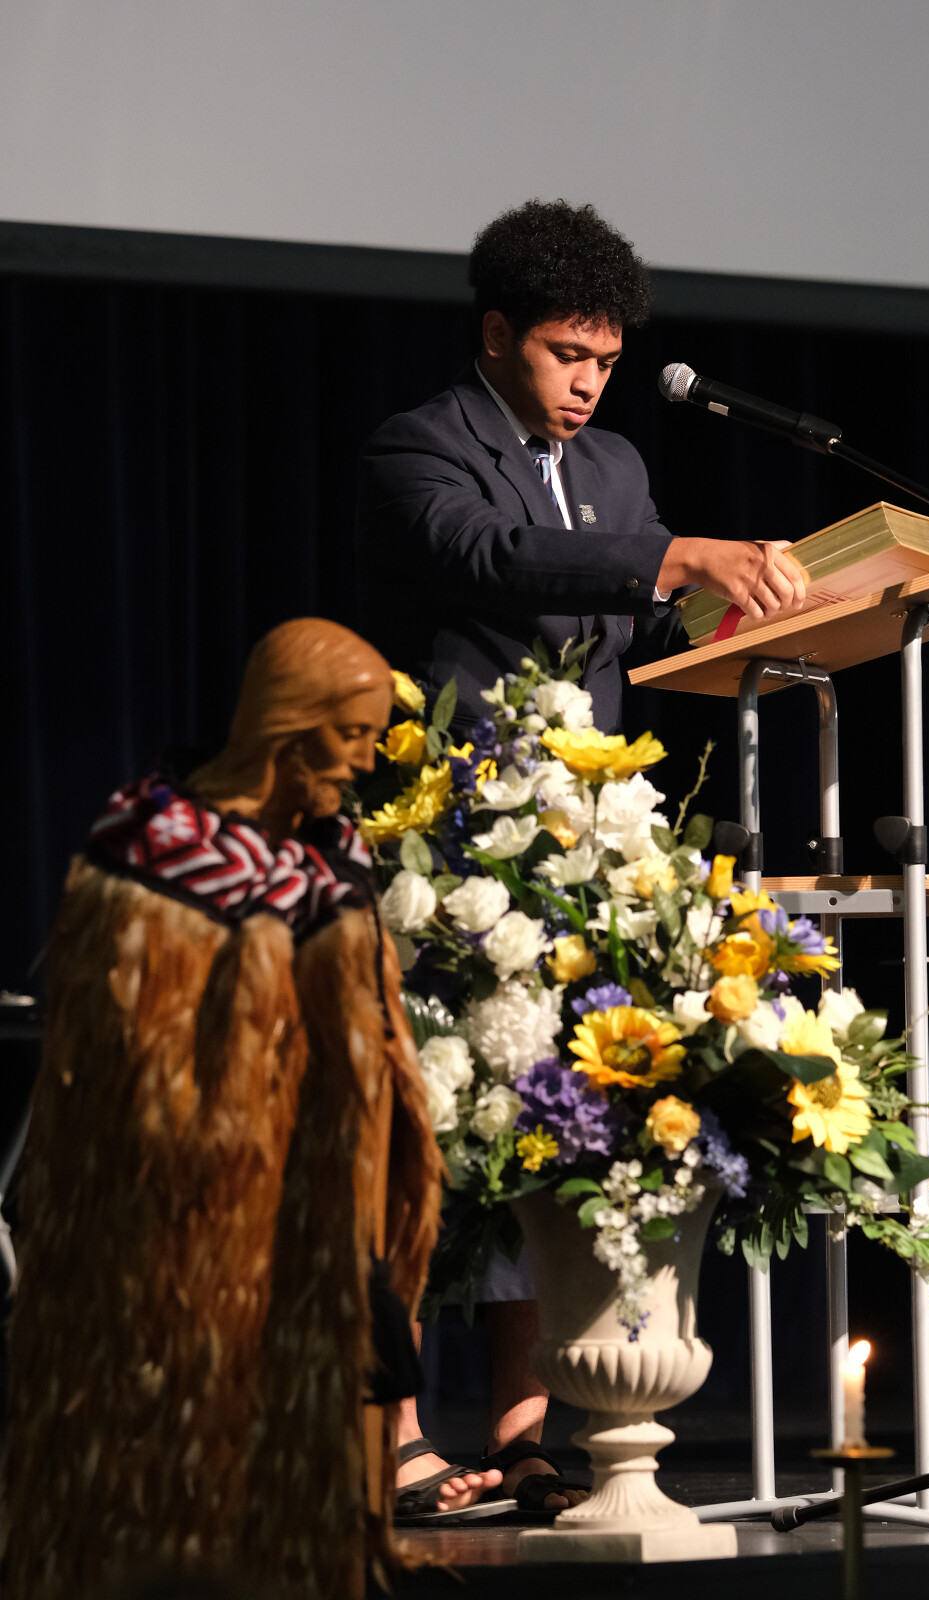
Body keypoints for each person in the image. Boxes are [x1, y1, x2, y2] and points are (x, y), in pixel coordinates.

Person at [357, 198, 806, 1516]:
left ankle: (525, 1430)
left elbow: (642, 626)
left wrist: (768, 606)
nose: (588, 383)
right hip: (453, 839)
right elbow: (488, 553)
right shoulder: (419, 443)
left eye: (605, 361)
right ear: (499, 334)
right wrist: (672, 557)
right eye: (566, 355)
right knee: (433, 1133)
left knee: (553, 1130)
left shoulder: (613, 464)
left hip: (588, 840)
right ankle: (392, 1431)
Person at [2, 619, 442, 1600]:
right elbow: (125, 1062)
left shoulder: (335, 851)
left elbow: (371, 1034)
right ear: (290, 726)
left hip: (324, 1226)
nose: (367, 760)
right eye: (353, 735)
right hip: (180, 1234)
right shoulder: (153, 849)